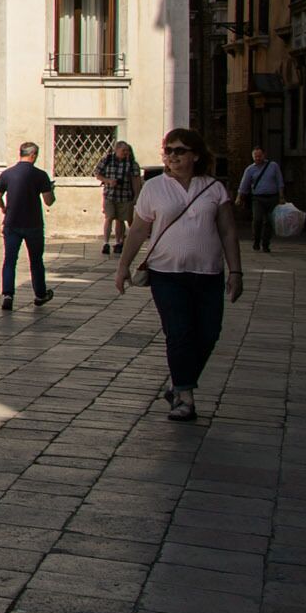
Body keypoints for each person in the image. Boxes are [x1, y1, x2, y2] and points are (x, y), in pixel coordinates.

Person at [113, 128, 241, 423]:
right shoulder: (154, 188)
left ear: (195, 155)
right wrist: (123, 267)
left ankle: (178, 380)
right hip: (166, 273)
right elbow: (139, 230)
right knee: (180, 333)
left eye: (179, 151)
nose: (172, 156)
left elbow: (228, 231)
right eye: (168, 151)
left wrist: (236, 271)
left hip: (209, 272)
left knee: (209, 333)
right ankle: (184, 396)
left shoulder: (214, 189)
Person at [0, 140, 56, 310]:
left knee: (10, 260)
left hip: (12, 223)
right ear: (33, 155)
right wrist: (51, 189)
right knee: (36, 261)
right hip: (33, 224)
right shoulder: (40, 175)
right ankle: (40, 294)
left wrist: (4, 208)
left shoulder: (6, 174)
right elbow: (49, 201)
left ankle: (7, 295)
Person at [96, 140, 143, 254]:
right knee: (109, 217)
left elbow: (136, 181)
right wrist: (108, 181)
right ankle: (106, 243)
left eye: (127, 150)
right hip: (110, 195)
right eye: (123, 150)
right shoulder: (106, 160)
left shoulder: (132, 164)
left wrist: (137, 196)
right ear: (116, 150)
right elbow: (97, 174)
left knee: (120, 219)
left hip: (125, 196)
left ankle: (118, 242)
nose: (126, 153)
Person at [237, 146, 285, 254]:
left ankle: (266, 243)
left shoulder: (273, 166)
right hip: (258, 198)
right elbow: (244, 185)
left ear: (264, 155)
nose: (258, 158)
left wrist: (281, 196)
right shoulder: (250, 169)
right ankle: (256, 239)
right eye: (255, 156)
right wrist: (239, 197)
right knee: (257, 219)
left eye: (259, 156)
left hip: (272, 197)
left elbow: (279, 181)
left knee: (269, 221)